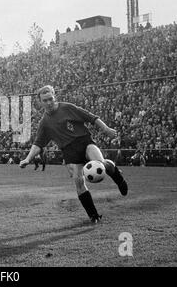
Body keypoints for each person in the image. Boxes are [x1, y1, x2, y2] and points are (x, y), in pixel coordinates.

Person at [20, 85, 128, 223]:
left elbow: (91, 117)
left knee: (101, 164)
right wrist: (28, 159)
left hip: (84, 141)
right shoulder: (44, 123)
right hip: (69, 151)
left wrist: (106, 129)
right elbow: (38, 144)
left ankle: (118, 178)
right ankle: (93, 216)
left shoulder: (67, 107)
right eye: (45, 100)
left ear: (54, 96)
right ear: (40, 102)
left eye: (50, 99)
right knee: (78, 181)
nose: (49, 103)